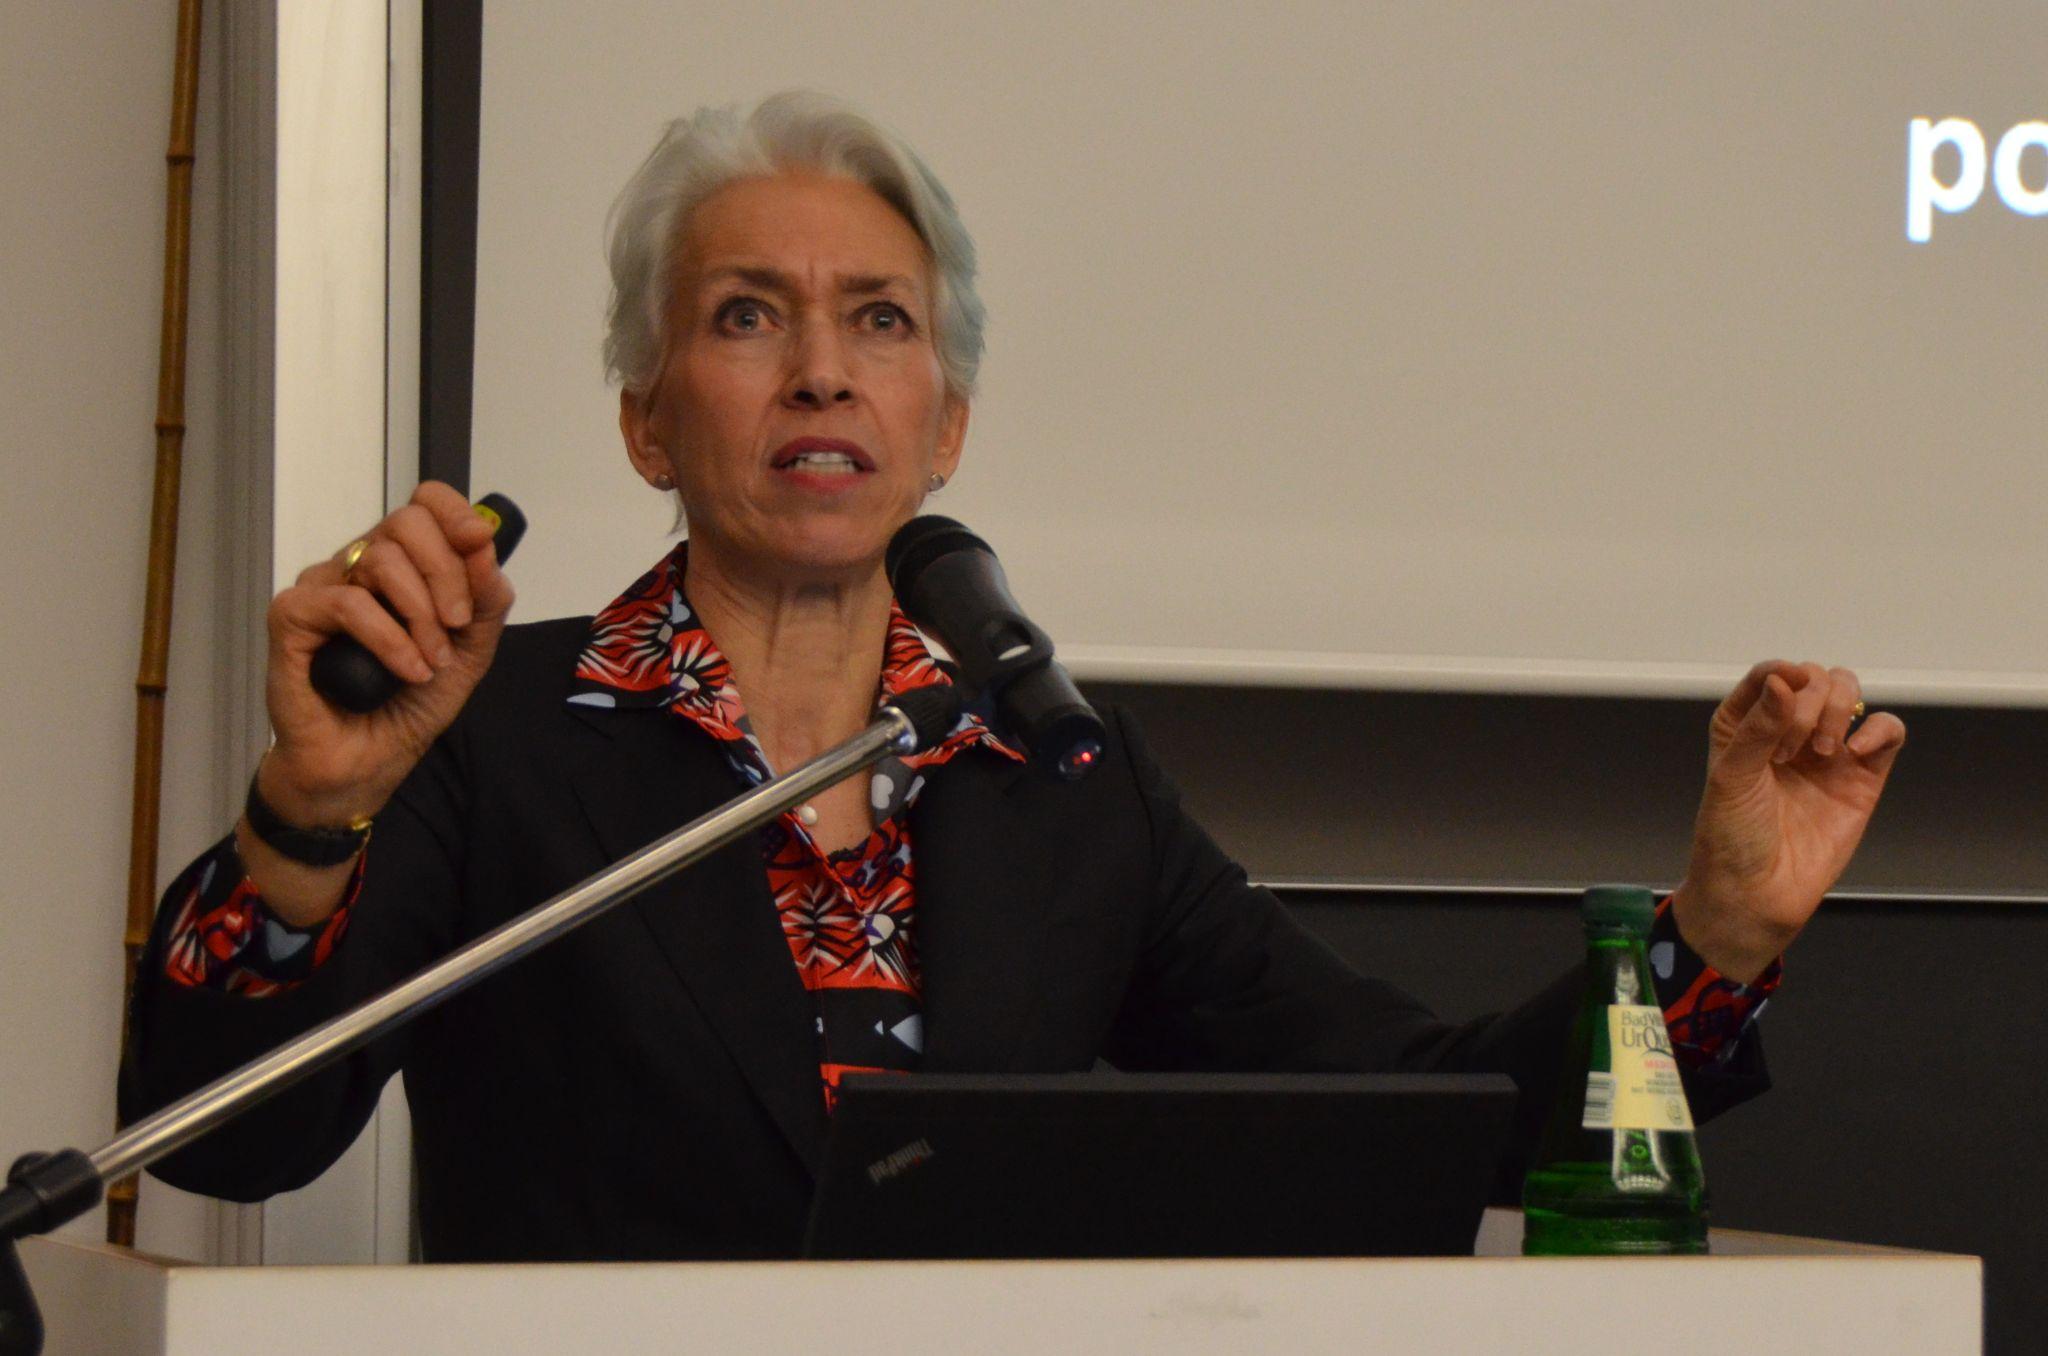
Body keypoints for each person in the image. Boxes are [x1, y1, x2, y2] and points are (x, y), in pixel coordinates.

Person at [122, 92, 1907, 1262]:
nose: (822, 369)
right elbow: (226, 1149)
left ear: (943, 423)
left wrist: (1716, 936)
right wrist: (307, 820)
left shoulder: (1055, 771)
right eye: (747, 316)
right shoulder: (489, 729)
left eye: (880, 321)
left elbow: (1439, 1116)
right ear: (646, 417)